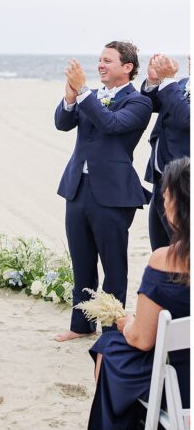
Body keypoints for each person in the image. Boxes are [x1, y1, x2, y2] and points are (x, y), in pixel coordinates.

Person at [79, 157, 190, 430]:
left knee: (110, 345)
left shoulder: (167, 259)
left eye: (166, 195)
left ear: (176, 203)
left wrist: (123, 319)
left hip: (177, 383)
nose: (163, 201)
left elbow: (142, 339)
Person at [55, 42, 152, 342]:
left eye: (107, 60)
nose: (100, 65)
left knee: (113, 265)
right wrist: (70, 98)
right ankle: (81, 325)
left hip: (112, 194)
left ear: (127, 67)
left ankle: (111, 329)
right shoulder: (91, 96)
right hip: (78, 188)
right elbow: (62, 123)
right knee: (81, 260)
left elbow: (110, 124)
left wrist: (83, 93)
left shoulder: (139, 103)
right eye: (99, 60)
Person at [141, 53, 190, 249]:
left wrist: (168, 80)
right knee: (160, 248)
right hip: (161, 178)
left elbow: (187, 119)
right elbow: (153, 105)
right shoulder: (184, 83)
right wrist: (154, 81)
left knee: (182, 250)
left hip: (184, 184)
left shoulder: (175, 84)